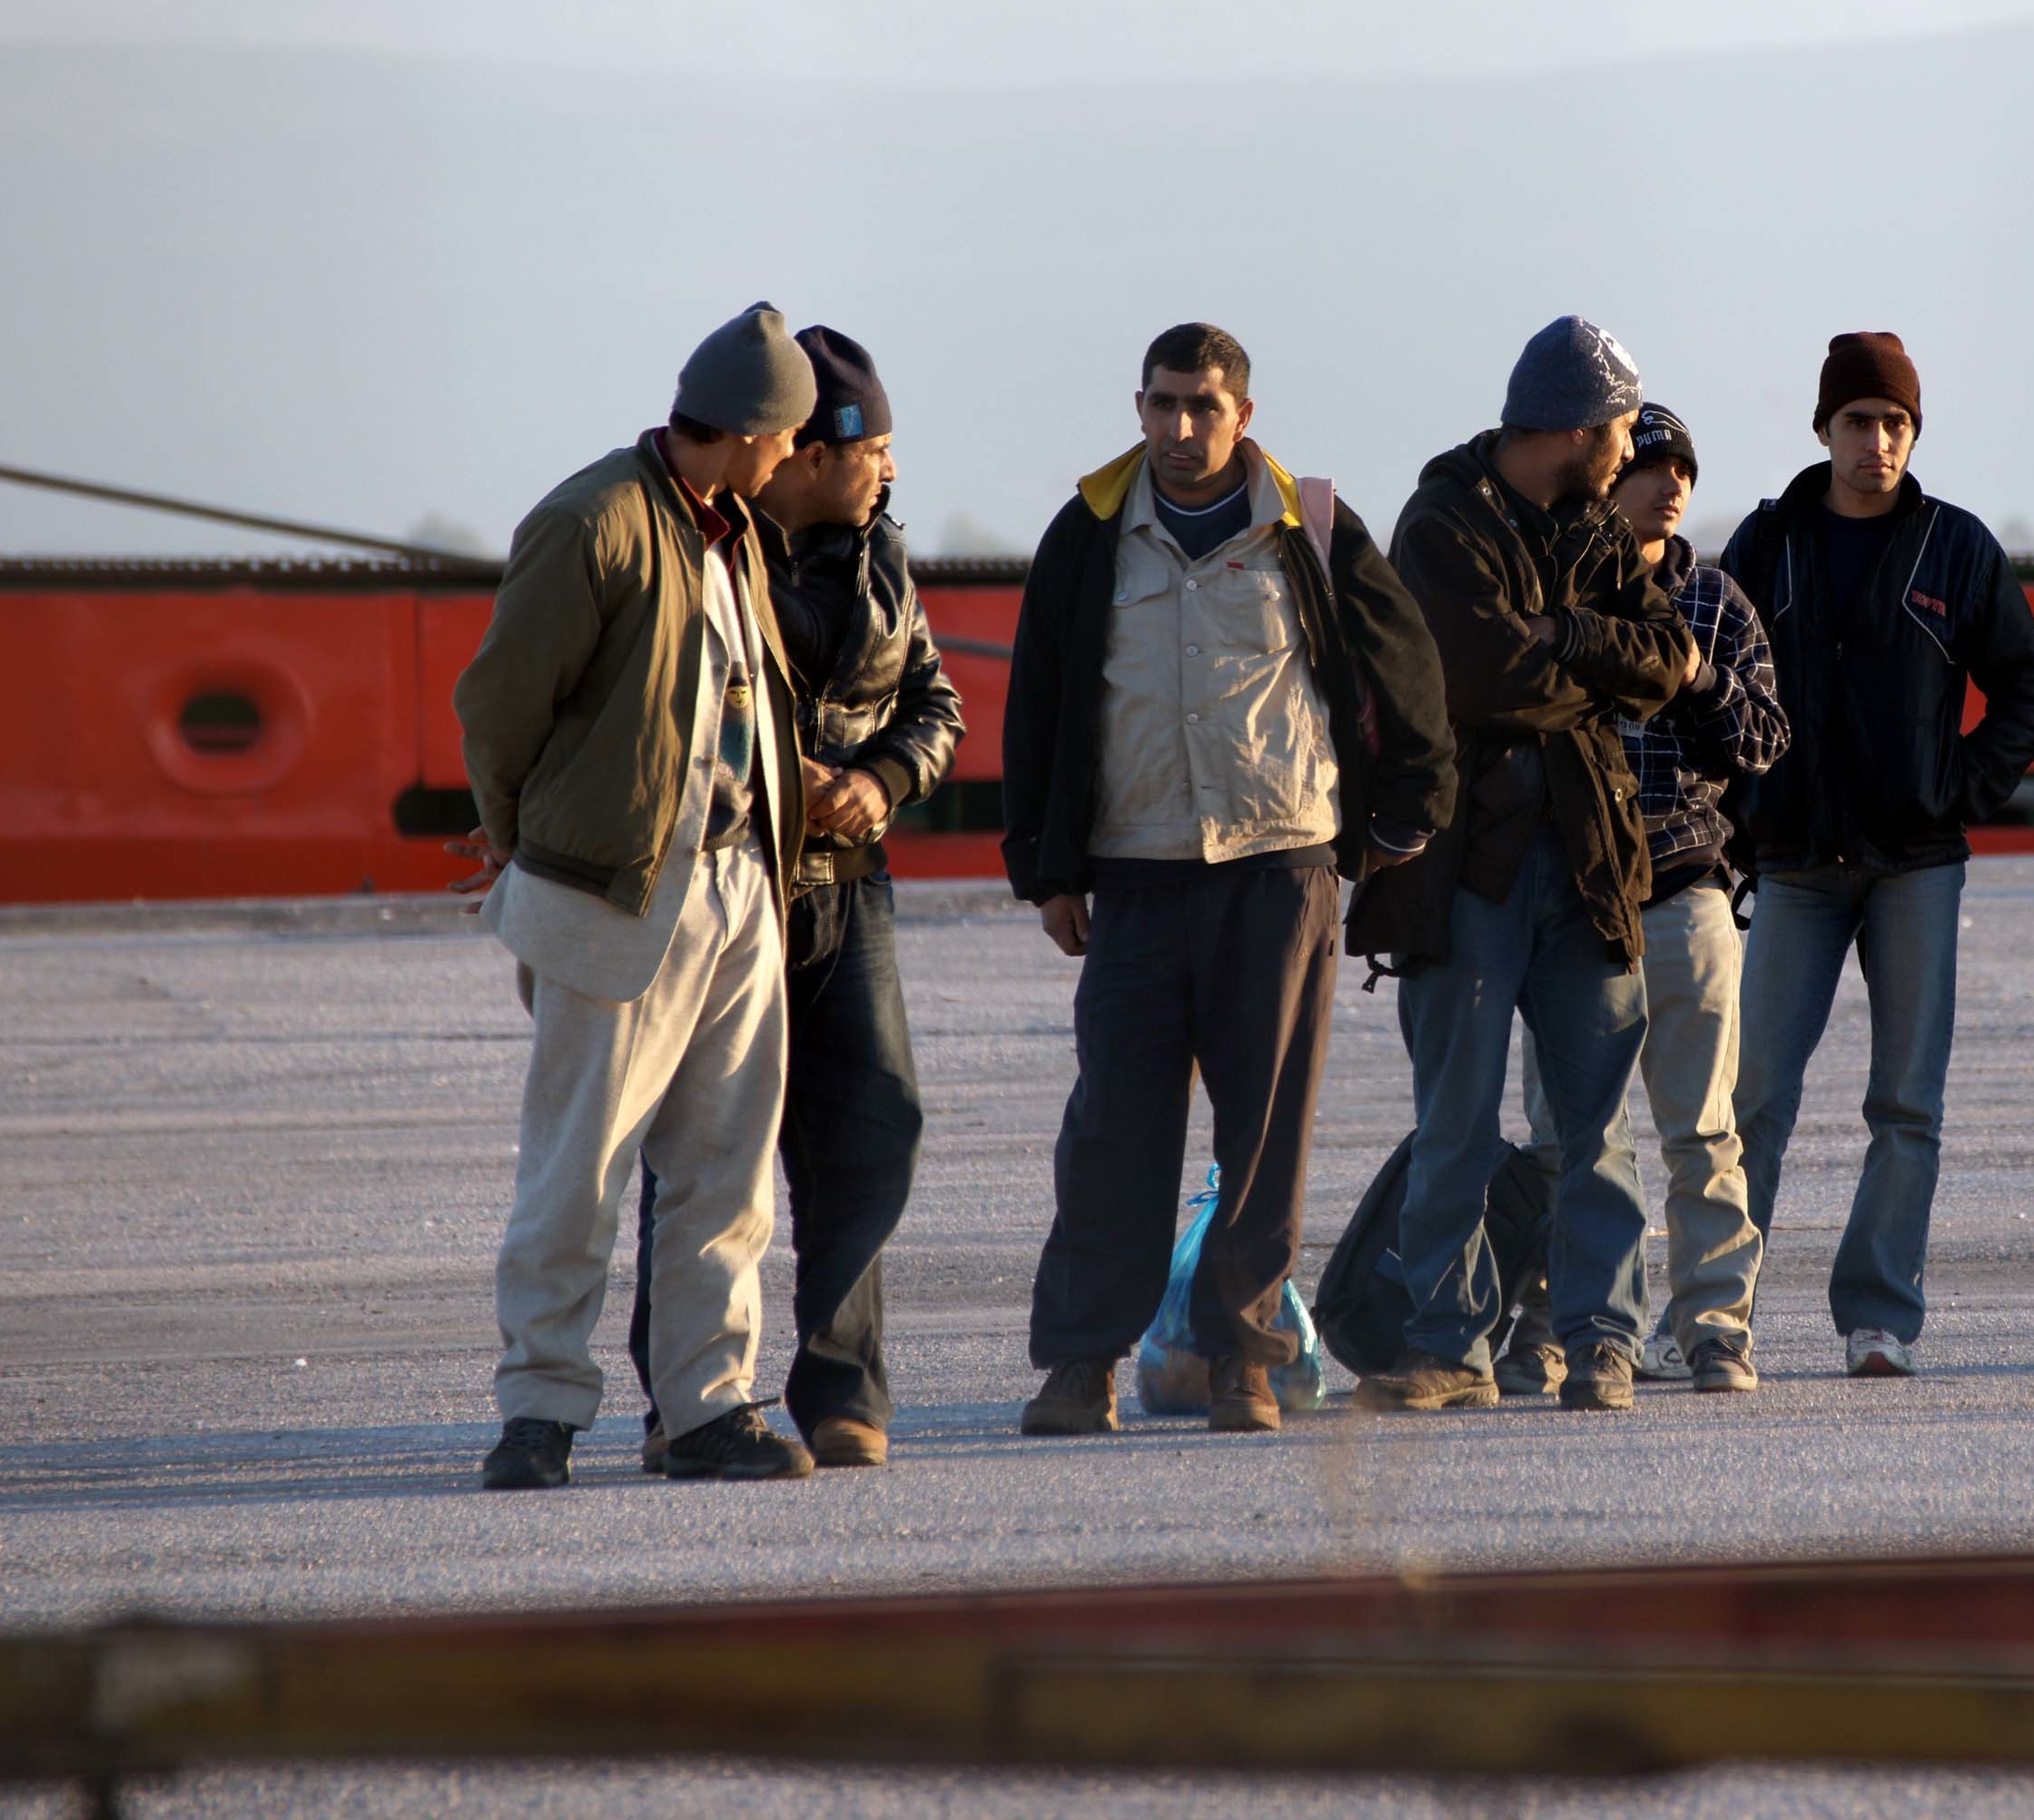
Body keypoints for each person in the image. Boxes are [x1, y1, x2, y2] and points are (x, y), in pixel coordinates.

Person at [1003, 322, 1452, 1437]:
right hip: (1137, 875)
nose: (1180, 427)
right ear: (1139, 407)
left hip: (1280, 869)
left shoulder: (1314, 529)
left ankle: (1242, 1358)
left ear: (1244, 415)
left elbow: (1411, 678)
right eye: (1161, 404)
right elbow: (1040, 708)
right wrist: (1047, 871)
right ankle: (1081, 1363)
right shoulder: (1089, 533)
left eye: (1203, 406)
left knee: (1264, 1133)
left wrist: (1399, 824)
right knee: (1113, 1128)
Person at [452, 302, 819, 1488]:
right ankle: (539, 1412)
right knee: (578, 1167)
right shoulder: (592, 521)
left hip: (737, 886)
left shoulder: (735, 533)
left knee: (726, 1170)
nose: (795, 461)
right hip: (614, 894)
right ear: (758, 432)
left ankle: (709, 1405)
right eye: (791, 440)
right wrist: (523, 840)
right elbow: (497, 704)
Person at [625, 325, 964, 1470]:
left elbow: (936, 703)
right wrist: (774, 778)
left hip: (848, 894)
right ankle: (682, 1396)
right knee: (705, 1149)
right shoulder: (710, 549)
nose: (893, 470)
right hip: (729, 890)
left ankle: (843, 1390)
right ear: (810, 452)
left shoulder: (884, 556)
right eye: (877, 447)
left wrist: (879, 780)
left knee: (871, 1130)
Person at [1348, 316, 1696, 1414]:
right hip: (1460, 873)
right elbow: (1479, 677)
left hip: (1588, 861)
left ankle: (1602, 1341)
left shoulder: (1598, 522)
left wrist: (1568, 640)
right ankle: (1449, 1343)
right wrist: (1585, 651)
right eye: (1625, 426)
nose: (1634, 445)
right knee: (1455, 1119)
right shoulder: (1441, 520)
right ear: (1576, 428)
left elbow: (1669, 662)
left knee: (1596, 1121)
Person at [1722, 332, 2034, 1377]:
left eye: (1898, 424)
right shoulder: (1768, 544)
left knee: (1906, 1104)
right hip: (1795, 867)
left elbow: (2029, 691)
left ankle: (1880, 1316)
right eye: (1861, 421)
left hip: (1918, 863)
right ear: (1824, 428)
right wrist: (1746, 810)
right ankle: (1713, 1311)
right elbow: (1714, 693)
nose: (1879, 441)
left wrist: (1953, 787)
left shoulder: (1955, 547)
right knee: (1753, 1100)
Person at [1503, 402, 1787, 1398]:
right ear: (1606, 476)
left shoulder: (1716, 601)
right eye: (1650, 465)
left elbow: (1763, 739)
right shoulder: (1549, 590)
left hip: (1686, 893)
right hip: (1575, 905)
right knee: (1568, 1139)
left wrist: (1697, 674)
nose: (1670, 485)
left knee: (1704, 1133)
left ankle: (1713, 1328)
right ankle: (1564, 1328)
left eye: (1685, 472)